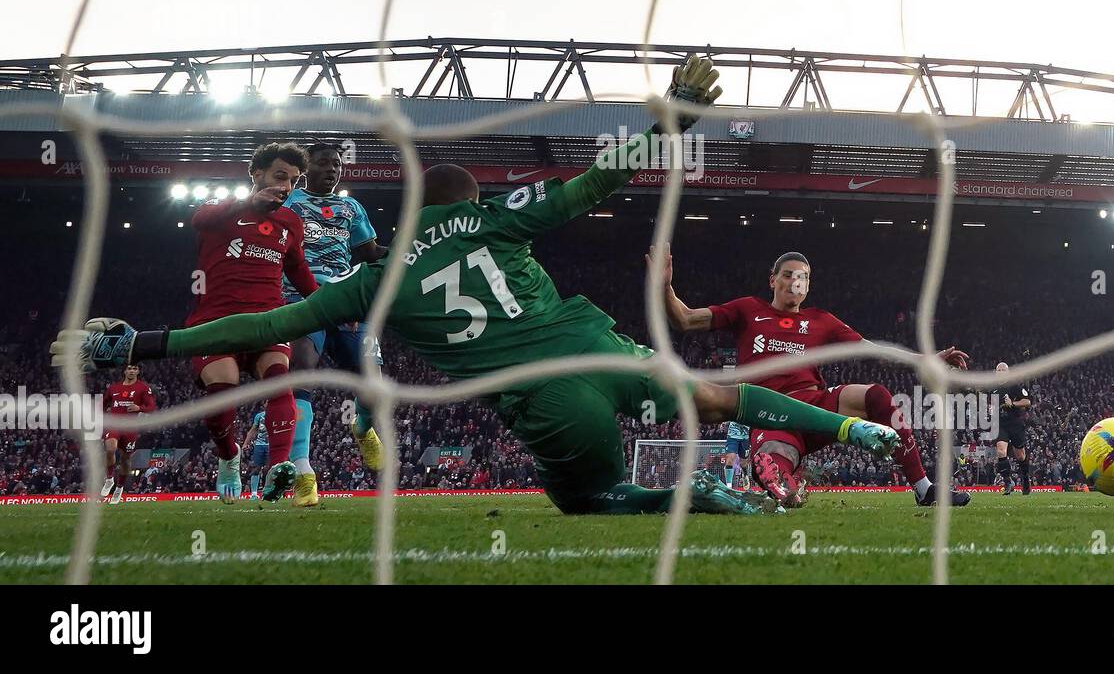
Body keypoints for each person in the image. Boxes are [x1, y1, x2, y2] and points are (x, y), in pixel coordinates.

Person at [58, 57, 900, 516]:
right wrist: (668, 118)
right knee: (715, 395)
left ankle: (681, 502)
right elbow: (598, 181)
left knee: (589, 496)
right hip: (595, 346)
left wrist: (143, 343)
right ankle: (849, 434)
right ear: (473, 201)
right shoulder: (500, 217)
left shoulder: (375, 277)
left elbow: (263, 321)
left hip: (542, 404)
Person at [656, 248, 971, 508]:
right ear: (773, 280)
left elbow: (873, 350)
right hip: (771, 415)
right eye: (789, 274)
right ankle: (782, 486)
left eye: (803, 277)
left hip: (817, 406)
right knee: (774, 461)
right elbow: (685, 319)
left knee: (877, 395)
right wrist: (665, 289)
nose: (796, 282)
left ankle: (923, 488)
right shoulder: (747, 310)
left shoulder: (821, 321)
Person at [184, 142, 318, 503]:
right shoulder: (222, 212)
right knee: (221, 392)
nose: (287, 186)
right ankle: (229, 457)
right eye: (280, 176)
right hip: (216, 321)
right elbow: (199, 219)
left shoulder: (290, 222)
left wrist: (325, 304)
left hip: (268, 321)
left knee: (279, 384)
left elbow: (298, 269)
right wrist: (247, 204)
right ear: (256, 173)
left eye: (294, 180)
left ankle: (278, 469)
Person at [279, 141, 388, 507]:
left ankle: (363, 427)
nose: (333, 169)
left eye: (337, 164)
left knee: (373, 381)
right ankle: (303, 471)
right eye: (324, 163)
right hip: (301, 298)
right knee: (302, 373)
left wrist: (412, 248)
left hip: (345, 300)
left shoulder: (350, 207)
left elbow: (370, 253)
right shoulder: (289, 203)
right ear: (306, 167)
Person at [100, 362, 156, 504]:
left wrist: (139, 407)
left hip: (130, 428)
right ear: (124, 371)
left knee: (125, 460)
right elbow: (103, 404)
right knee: (110, 448)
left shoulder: (143, 388)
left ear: (138, 372)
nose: (131, 371)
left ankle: (119, 488)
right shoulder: (114, 388)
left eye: (135, 369)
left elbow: (151, 407)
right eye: (129, 368)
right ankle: (109, 479)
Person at [994, 359, 1033, 495]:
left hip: (1015, 424)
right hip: (1000, 424)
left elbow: (1027, 401)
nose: (1001, 372)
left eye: (1003, 370)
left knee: (1020, 455)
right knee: (1001, 451)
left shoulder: (1015, 386)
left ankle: (1025, 479)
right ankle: (1008, 481)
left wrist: (1013, 403)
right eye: (998, 370)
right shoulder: (992, 388)